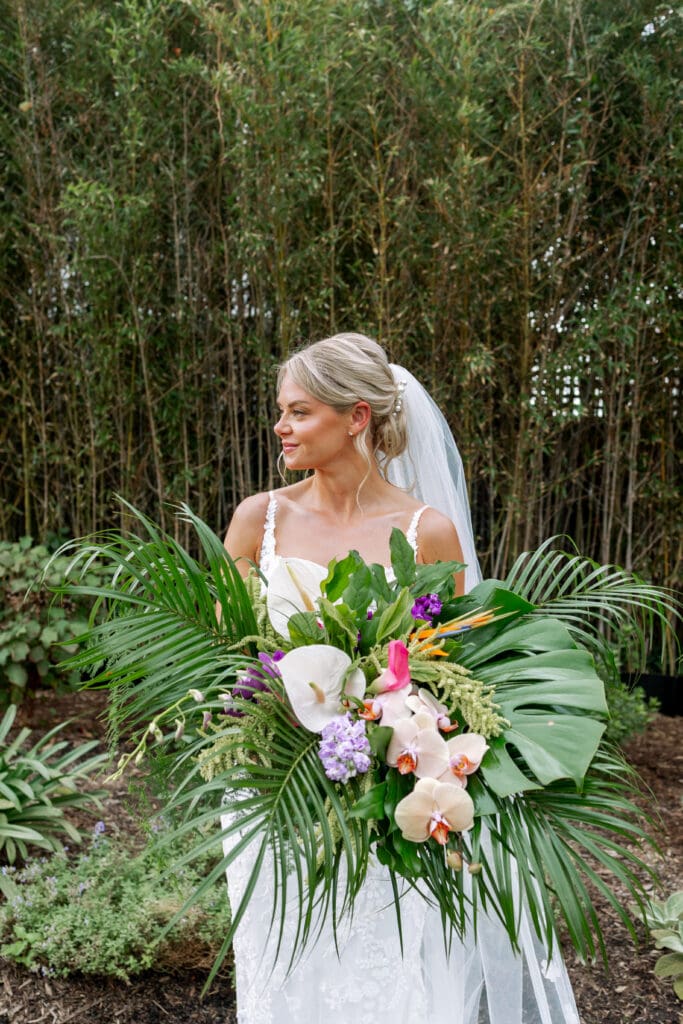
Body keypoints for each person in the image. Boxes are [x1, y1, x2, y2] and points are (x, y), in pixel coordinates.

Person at [221, 333, 580, 1024]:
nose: (280, 426)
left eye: (298, 412)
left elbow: (452, 673)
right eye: (280, 411)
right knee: (279, 968)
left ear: (356, 418)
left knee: (383, 977)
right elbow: (224, 653)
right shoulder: (256, 520)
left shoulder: (427, 532)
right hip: (273, 794)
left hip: (385, 797)